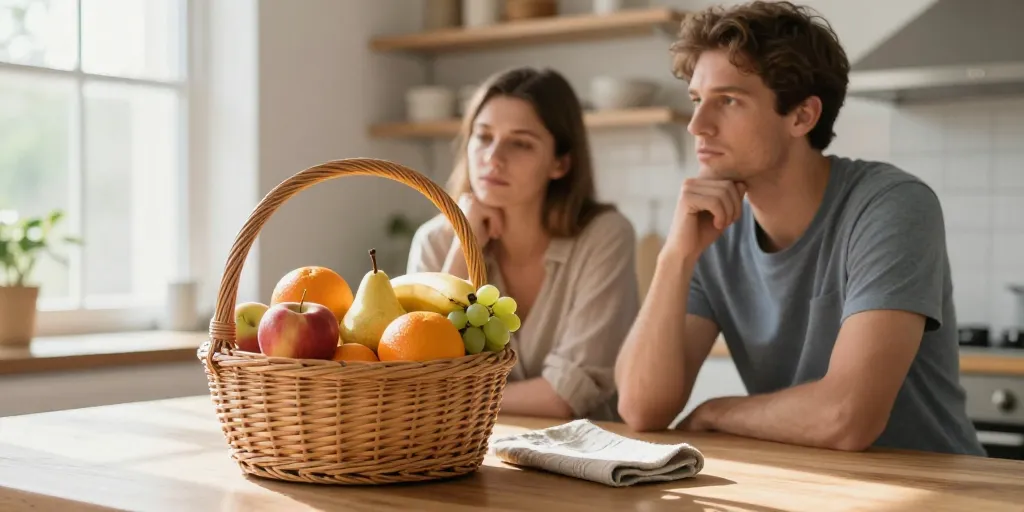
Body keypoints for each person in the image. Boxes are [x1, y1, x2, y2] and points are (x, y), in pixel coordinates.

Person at [614, 1, 985, 456]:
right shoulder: (712, 226)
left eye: (728, 101)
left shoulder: (891, 205)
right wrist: (675, 256)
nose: (697, 125)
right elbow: (639, 407)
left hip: (939, 493)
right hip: (814, 488)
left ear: (802, 116)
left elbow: (847, 417)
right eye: (696, 100)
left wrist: (716, 412)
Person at [407, 67, 639, 422]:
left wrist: (451, 396)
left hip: (589, 459)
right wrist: (462, 246)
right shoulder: (435, 241)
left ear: (560, 163)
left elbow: (565, 397)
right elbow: (416, 369)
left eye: (520, 143)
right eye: (483, 137)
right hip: (471, 454)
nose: (493, 157)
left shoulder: (605, 236)